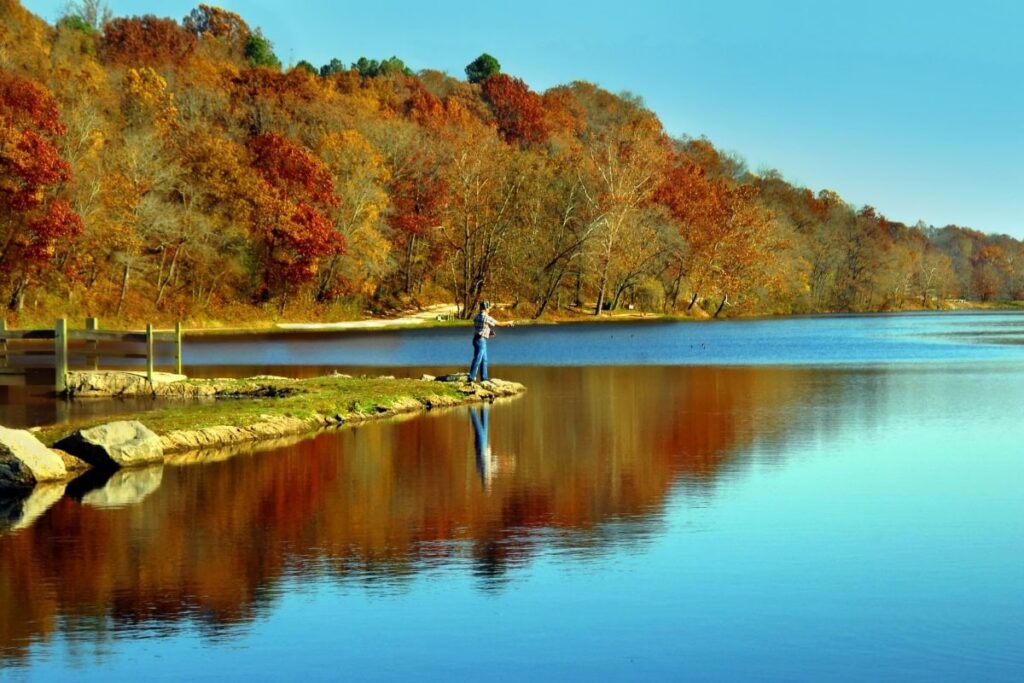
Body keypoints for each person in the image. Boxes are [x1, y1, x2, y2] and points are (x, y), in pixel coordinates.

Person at [468, 300, 512, 382]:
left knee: (484, 359)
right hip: (481, 341)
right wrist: (509, 322)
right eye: (488, 308)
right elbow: (499, 324)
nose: (489, 309)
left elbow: (481, 328)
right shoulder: (486, 317)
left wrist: (488, 332)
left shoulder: (476, 316)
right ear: (486, 308)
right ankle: (471, 377)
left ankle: (484, 378)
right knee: (478, 359)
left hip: (477, 339)